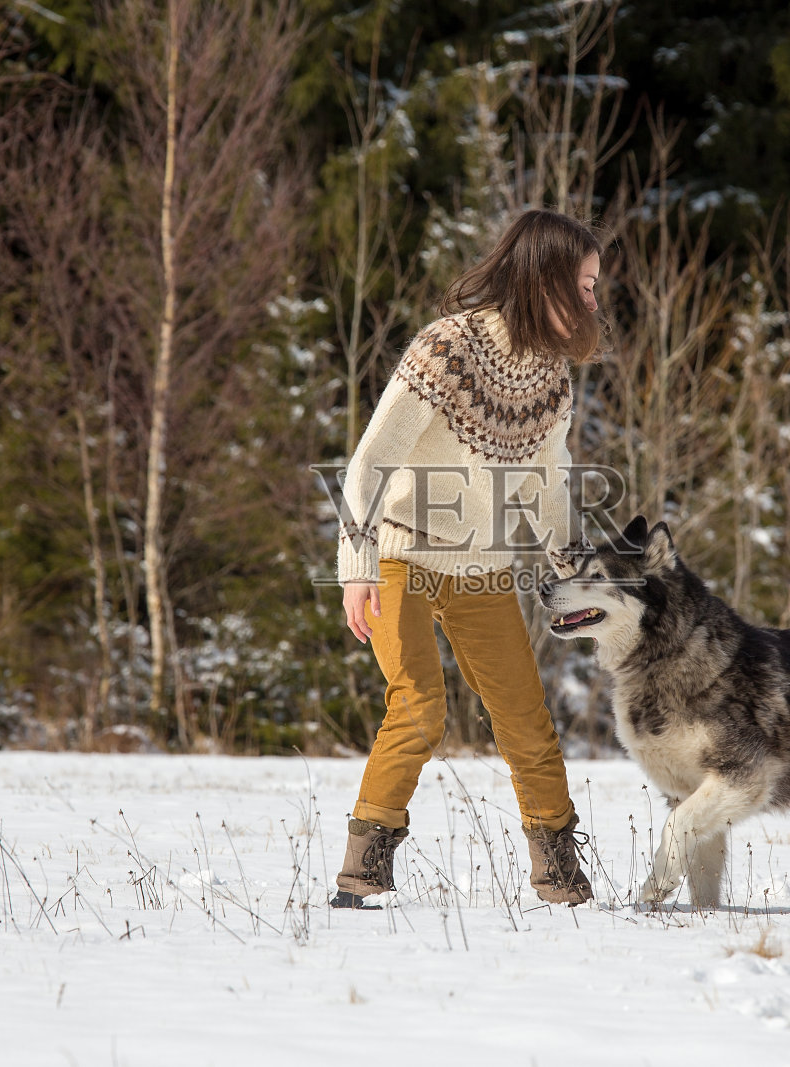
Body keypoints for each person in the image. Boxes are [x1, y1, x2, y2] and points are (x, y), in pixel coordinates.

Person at [331, 209, 603, 909]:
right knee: (420, 706)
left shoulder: (551, 378)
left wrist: (574, 570)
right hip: (400, 555)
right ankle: (364, 869)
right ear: (546, 281)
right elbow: (370, 461)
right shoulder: (446, 349)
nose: (595, 301)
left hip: (480, 567)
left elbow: (546, 485)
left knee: (526, 721)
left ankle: (560, 877)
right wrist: (357, 563)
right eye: (587, 285)